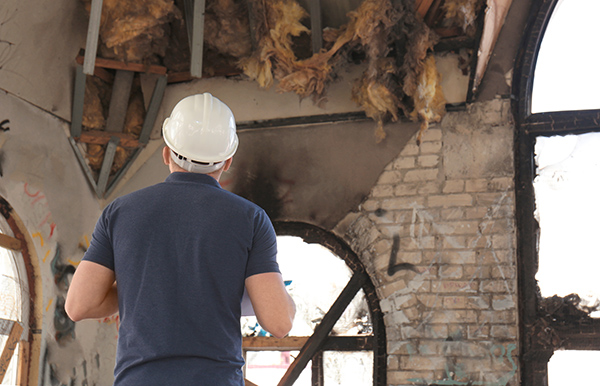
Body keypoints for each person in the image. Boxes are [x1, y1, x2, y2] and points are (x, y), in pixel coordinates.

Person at [65, 93, 296, 386]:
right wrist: (287, 303)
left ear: (166, 153)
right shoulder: (250, 219)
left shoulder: (119, 212)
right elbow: (278, 322)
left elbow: (78, 306)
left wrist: (137, 287)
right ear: (227, 161)